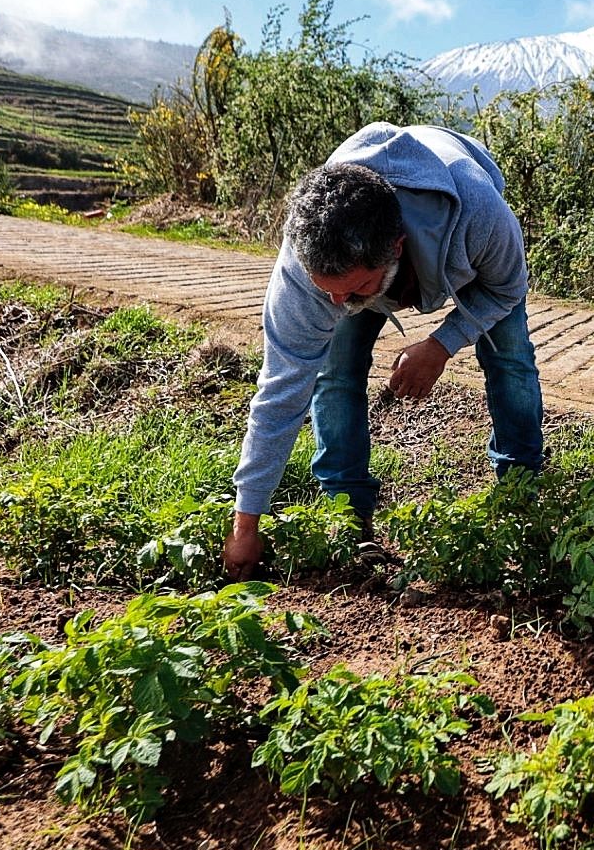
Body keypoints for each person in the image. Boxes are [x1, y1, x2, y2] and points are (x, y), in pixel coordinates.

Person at [223, 123, 543, 580]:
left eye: (354, 291)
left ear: (395, 249)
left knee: (509, 356)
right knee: (335, 371)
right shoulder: (304, 269)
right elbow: (280, 392)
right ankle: (348, 514)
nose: (338, 305)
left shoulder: (480, 215)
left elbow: (506, 289)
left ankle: (521, 490)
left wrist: (441, 344)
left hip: (457, 233)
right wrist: (245, 520)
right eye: (327, 292)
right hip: (369, 258)